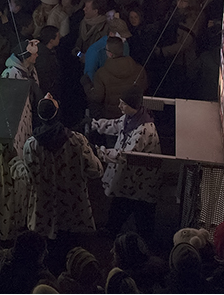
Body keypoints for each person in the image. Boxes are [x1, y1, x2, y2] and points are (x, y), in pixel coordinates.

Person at [21, 95, 103, 240]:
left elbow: (28, 177)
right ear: (57, 114)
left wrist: (14, 162)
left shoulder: (31, 145)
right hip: (73, 212)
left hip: (43, 215)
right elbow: (96, 170)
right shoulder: (77, 140)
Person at [89, 89, 161, 240]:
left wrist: (98, 152)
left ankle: (146, 242)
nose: (119, 106)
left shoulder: (143, 129)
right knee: (123, 203)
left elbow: (124, 155)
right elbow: (115, 125)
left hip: (141, 182)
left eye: (123, 103)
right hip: (132, 180)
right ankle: (112, 230)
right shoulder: (133, 117)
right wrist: (94, 124)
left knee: (141, 211)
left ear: (132, 106)